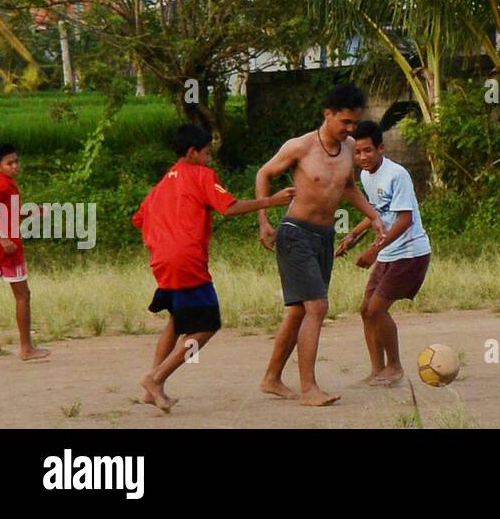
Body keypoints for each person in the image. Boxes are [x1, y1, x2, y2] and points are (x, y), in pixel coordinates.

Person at [132, 124, 294, 412]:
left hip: (162, 260)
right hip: (187, 259)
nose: (210, 158)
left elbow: (140, 218)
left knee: (177, 321)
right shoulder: (201, 175)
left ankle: (152, 388)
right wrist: (271, 201)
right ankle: (155, 379)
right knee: (207, 326)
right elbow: (228, 207)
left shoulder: (162, 183)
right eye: (207, 153)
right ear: (192, 152)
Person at [255, 83, 386, 406]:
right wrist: (264, 220)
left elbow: (349, 188)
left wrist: (374, 217)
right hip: (295, 232)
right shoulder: (300, 147)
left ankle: (271, 378)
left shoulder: (349, 147)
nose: (351, 129)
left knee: (300, 310)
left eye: (354, 123)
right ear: (328, 115)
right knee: (317, 306)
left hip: (324, 238)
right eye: (345, 122)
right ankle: (309, 389)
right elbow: (264, 174)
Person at [336, 120, 432, 387]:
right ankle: (377, 370)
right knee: (366, 311)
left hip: (410, 252)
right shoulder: (366, 176)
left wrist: (373, 250)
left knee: (377, 309)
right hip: (389, 251)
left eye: (368, 151)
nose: (362, 157)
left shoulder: (397, 174)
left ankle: (395, 366)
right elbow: (377, 213)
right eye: (357, 152)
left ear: (381, 148)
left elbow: (404, 220)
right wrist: (353, 235)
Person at [0, 143, 49, 361]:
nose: (15, 166)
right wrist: (2, 236)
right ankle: (26, 348)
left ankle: (27, 348)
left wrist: (31, 212)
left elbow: (7, 214)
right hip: (7, 249)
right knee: (23, 296)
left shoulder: (6, 184)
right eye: (10, 163)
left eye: (17, 161)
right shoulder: (3, 187)